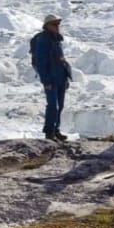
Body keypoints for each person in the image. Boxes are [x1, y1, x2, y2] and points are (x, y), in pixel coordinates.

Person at [29, 14, 70, 142]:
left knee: (60, 105)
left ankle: (56, 130)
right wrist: (46, 80)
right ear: (47, 26)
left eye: (58, 24)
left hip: (60, 77)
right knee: (53, 105)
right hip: (51, 78)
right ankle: (49, 133)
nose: (57, 26)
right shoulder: (43, 40)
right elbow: (41, 62)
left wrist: (66, 76)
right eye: (54, 24)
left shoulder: (56, 39)